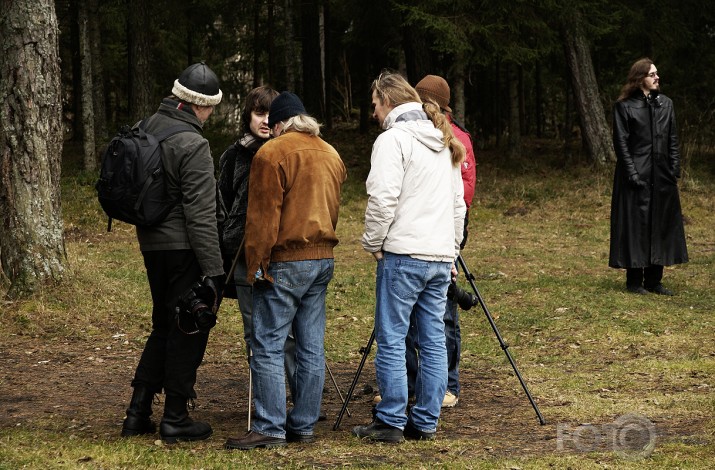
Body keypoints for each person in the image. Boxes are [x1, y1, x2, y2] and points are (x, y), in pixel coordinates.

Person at [224, 92, 347, 450]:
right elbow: (333, 209)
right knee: (310, 345)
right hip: (322, 257)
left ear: (278, 124)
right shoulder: (331, 153)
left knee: (267, 344)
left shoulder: (271, 152)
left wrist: (257, 264)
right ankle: (304, 424)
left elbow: (262, 218)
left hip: (284, 259)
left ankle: (269, 426)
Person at [353, 70, 466, 443]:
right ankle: (426, 419)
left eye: (374, 105)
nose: (373, 112)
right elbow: (457, 206)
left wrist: (373, 242)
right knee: (433, 339)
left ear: (387, 101)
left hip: (403, 255)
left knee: (393, 338)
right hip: (436, 256)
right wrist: (450, 251)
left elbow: (383, 198)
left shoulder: (394, 140)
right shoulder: (443, 140)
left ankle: (390, 420)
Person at [120, 62, 225, 443]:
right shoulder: (193, 143)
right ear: (202, 105)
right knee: (189, 326)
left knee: (164, 324)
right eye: (212, 107)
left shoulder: (146, 126)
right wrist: (213, 271)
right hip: (184, 247)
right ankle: (176, 417)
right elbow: (201, 214)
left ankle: (138, 412)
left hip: (151, 244)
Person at [217, 86, 297, 379]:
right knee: (254, 327)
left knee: (288, 328)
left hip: (283, 252)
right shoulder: (233, 156)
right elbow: (221, 202)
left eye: (270, 114)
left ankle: (296, 391)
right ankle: (265, 391)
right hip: (243, 253)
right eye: (258, 112)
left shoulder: (290, 151)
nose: (265, 120)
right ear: (248, 115)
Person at [609, 58, 688, 295]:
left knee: (660, 224)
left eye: (657, 74)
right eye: (652, 74)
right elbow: (621, 144)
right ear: (640, 77)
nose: (657, 77)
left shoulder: (666, 104)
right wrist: (632, 173)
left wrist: (674, 168)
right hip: (636, 175)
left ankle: (654, 281)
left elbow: (672, 139)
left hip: (662, 176)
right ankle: (634, 281)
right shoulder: (624, 106)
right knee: (635, 226)